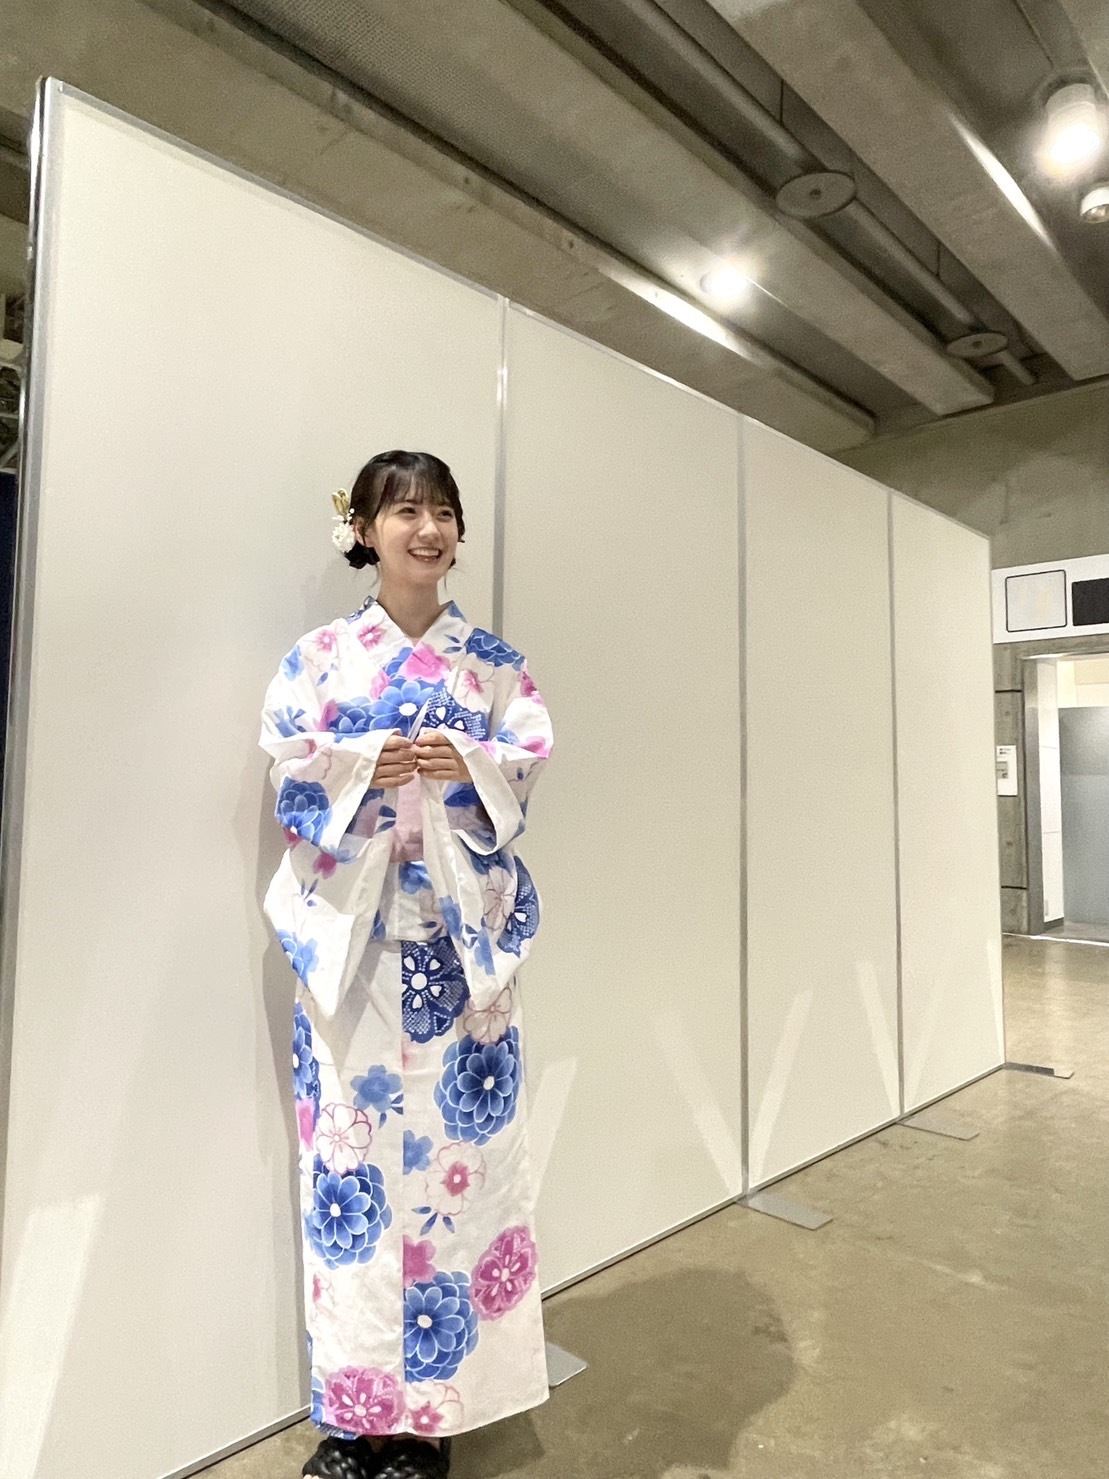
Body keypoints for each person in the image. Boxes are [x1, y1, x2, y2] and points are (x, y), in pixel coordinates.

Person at [259, 451, 554, 1479]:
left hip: (461, 960)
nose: (427, 529)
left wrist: (465, 765)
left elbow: (524, 767)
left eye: (442, 512)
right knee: (350, 1179)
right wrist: (358, 767)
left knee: (457, 1182)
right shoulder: (319, 659)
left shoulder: (494, 666)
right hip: (352, 954)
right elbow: (288, 769)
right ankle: (354, 1418)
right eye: (404, 511)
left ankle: (432, 1420)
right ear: (363, 530)